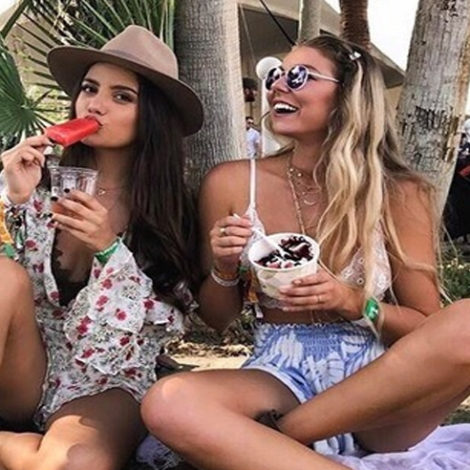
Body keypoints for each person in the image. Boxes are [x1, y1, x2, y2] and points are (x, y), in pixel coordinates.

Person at [141, 34, 447, 469]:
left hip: (378, 389)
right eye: (276, 76)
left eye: (299, 76)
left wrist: (355, 302)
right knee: (168, 402)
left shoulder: (398, 191)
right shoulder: (232, 182)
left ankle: (278, 439)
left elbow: (428, 329)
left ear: (348, 97)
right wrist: (225, 267)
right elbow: (217, 319)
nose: (278, 86)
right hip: (280, 373)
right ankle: (295, 444)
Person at [0, 25, 202, 470]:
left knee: (70, 464)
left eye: (121, 97)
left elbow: (164, 321)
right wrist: (11, 200)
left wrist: (109, 249)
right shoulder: (36, 179)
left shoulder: (175, 211)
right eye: (89, 89)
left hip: (109, 379)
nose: (94, 105)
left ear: (152, 116)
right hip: (26, 365)